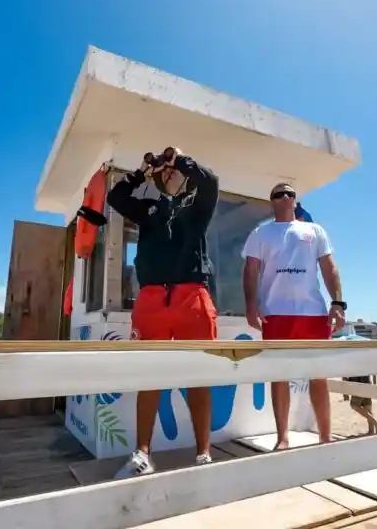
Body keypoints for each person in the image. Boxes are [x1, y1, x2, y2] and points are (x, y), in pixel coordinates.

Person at [106, 146, 219, 479]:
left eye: (174, 170)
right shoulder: (148, 208)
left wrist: (181, 159)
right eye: (163, 171)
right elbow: (116, 197)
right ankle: (142, 453)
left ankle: (203, 454)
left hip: (192, 297)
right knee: (149, 378)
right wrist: (142, 170)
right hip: (153, 298)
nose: (168, 173)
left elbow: (211, 181)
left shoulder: (198, 204)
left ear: (184, 174)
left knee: (199, 378)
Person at [242, 182, 345, 450]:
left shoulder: (314, 230)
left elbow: (329, 268)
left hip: (313, 313)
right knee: (280, 375)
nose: (285, 196)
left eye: (290, 193)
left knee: (318, 375)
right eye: (279, 194)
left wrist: (338, 303)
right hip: (275, 314)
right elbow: (250, 271)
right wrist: (251, 305)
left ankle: (325, 437)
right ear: (272, 201)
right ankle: (282, 437)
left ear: (295, 200)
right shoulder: (260, 233)